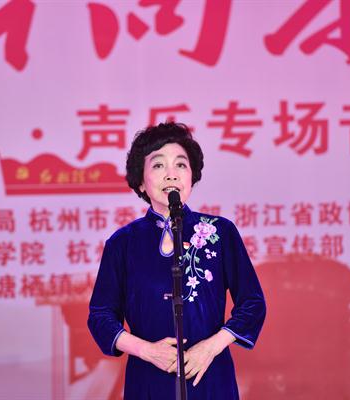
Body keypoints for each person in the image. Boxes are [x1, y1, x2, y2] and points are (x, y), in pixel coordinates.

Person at [88, 122, 266, 399]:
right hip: (148, 379)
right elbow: (101, 316)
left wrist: (210, 348)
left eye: (181, 165)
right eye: (158, 165)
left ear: (192, 177)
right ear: (141, 181)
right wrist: (147, 351)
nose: (171, 174)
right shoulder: (123, 243)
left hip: (209, 376)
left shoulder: (220, 232)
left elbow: (252, 303)